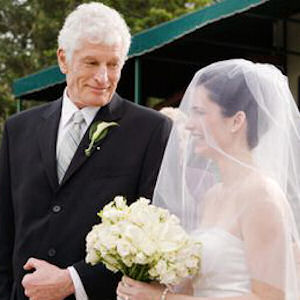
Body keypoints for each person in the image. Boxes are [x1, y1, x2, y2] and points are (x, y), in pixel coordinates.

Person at [0, 2, 171, 300]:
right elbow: (3, 229)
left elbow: (154, 237)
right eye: (92, 63)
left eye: (113, 64)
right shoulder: (18, 129)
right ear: (63, 60)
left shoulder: (151, 130)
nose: (103, 77)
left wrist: (73, 281)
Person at [116, 59, 300, 300]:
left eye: (200, 113)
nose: (190, 125)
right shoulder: (213, 195)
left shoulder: (261, 196)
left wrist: (162, 299)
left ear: (236, 121)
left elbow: (270, 297)